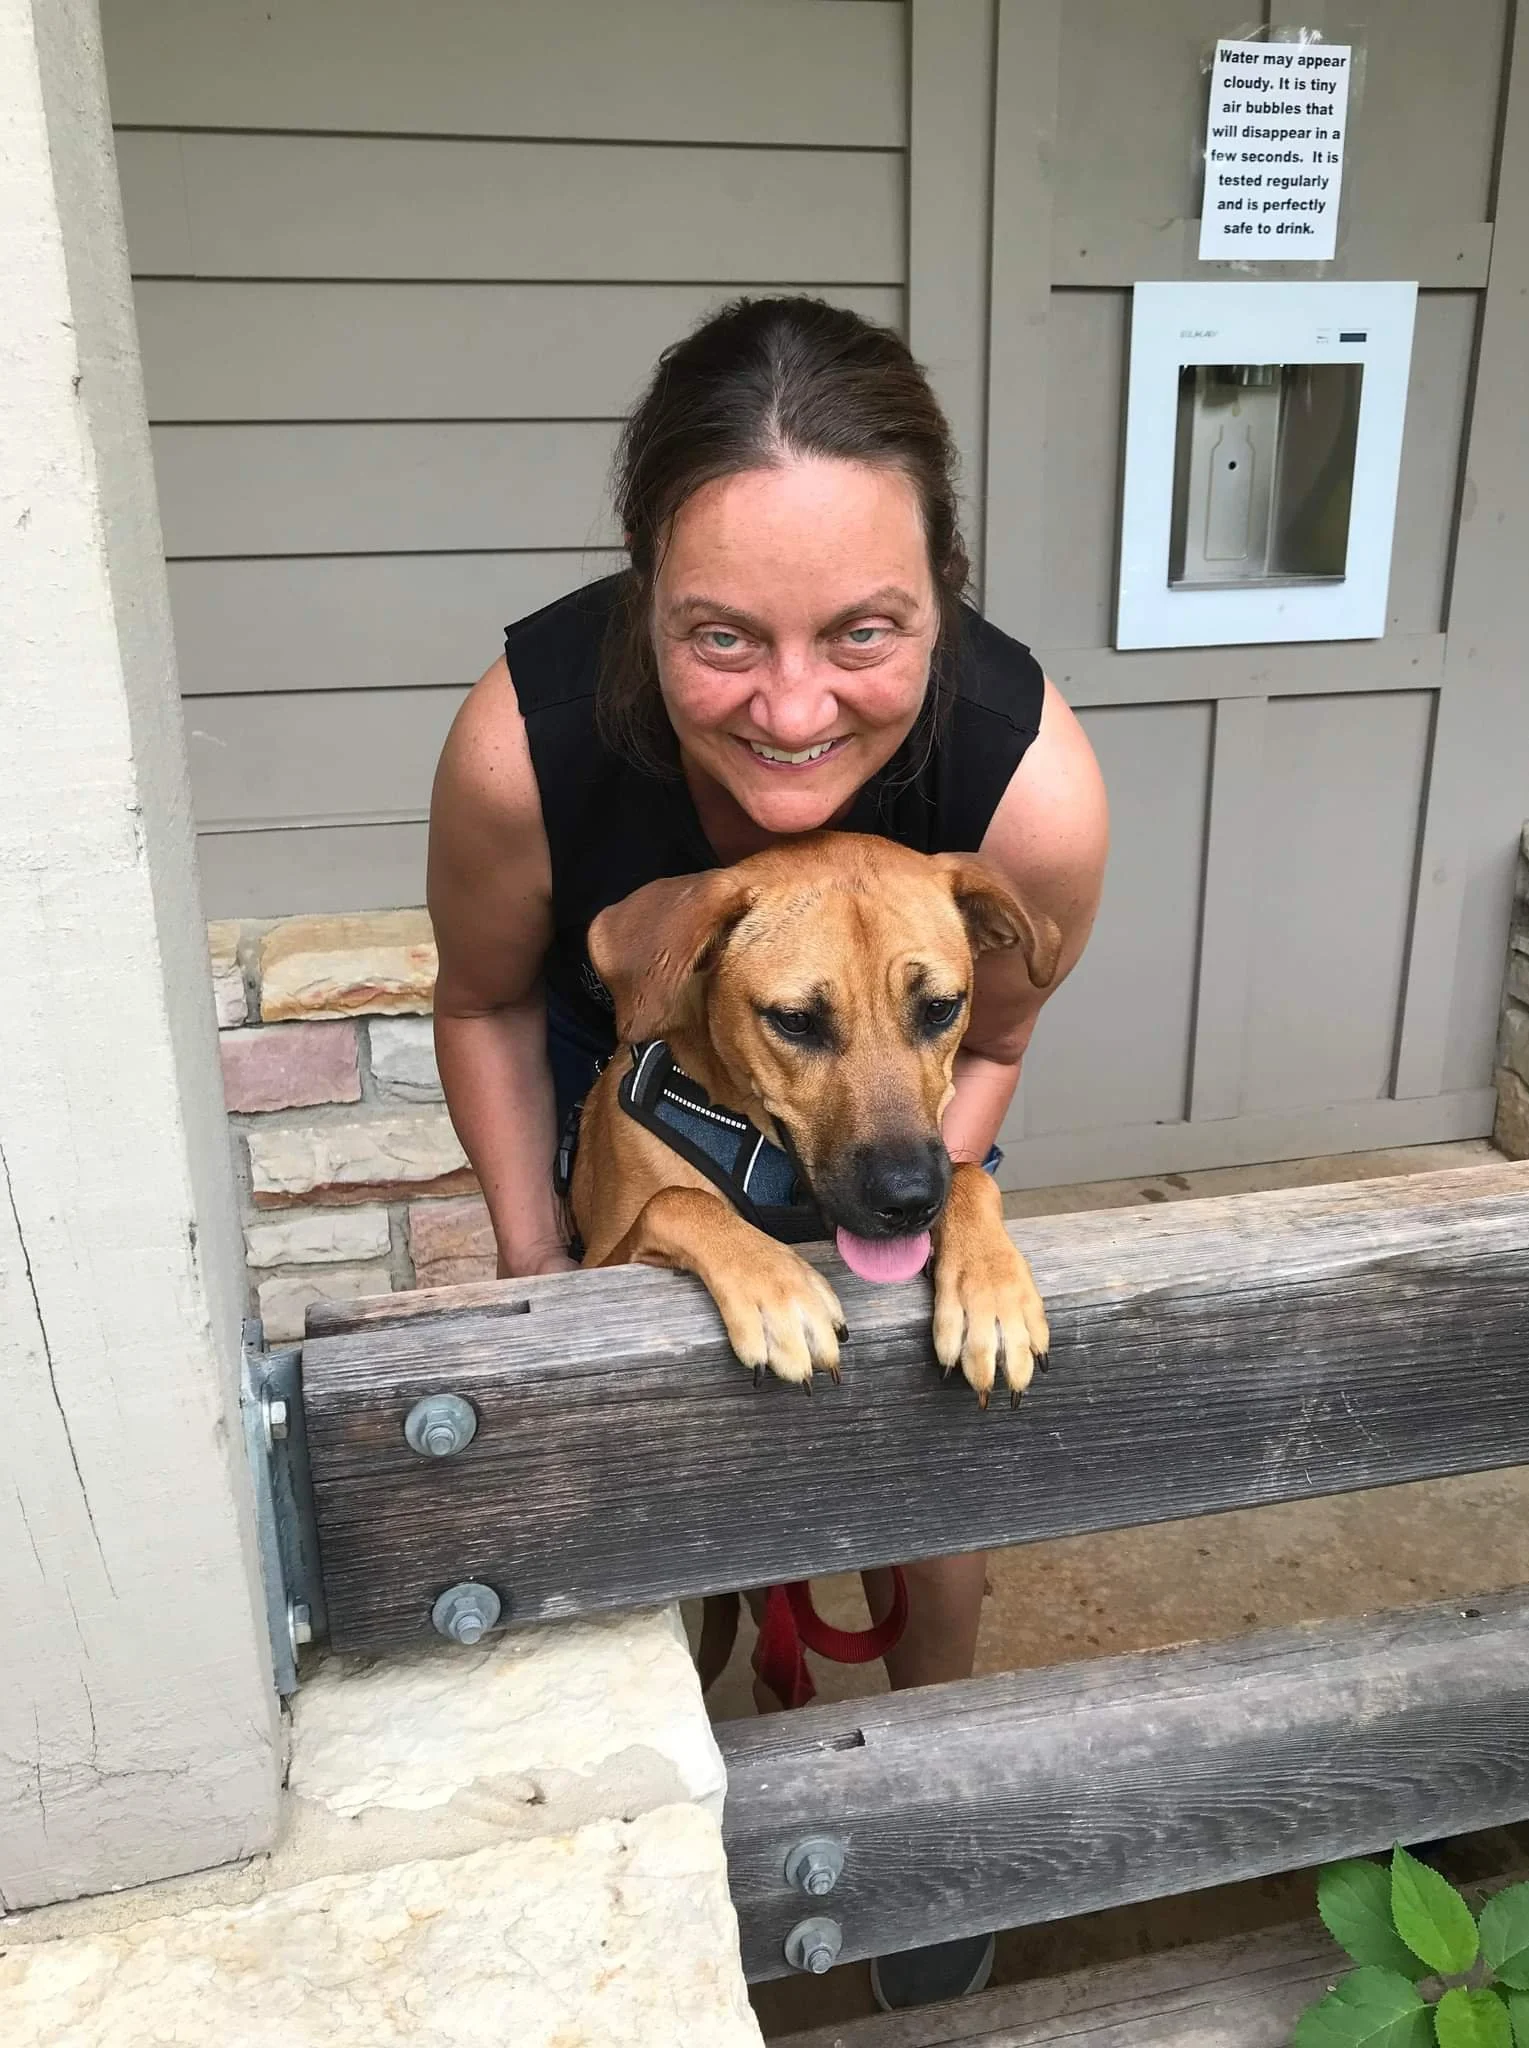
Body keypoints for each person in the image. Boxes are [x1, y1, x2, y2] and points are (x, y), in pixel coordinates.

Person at [427, 295, 1108, 2010]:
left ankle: (924, 1797)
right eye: (723, 636)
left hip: (880, 1051)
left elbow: (990, 1042)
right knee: (670, 1492)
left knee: (946, 1440)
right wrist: (541, 1284)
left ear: (941, 597)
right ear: (646, 595)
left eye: (865, 632)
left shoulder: (1025, 801)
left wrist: (952, 1200)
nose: (795, 706)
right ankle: (679, 1786)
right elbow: (490, 1003)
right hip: (644, 1039)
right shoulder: (530, 747)